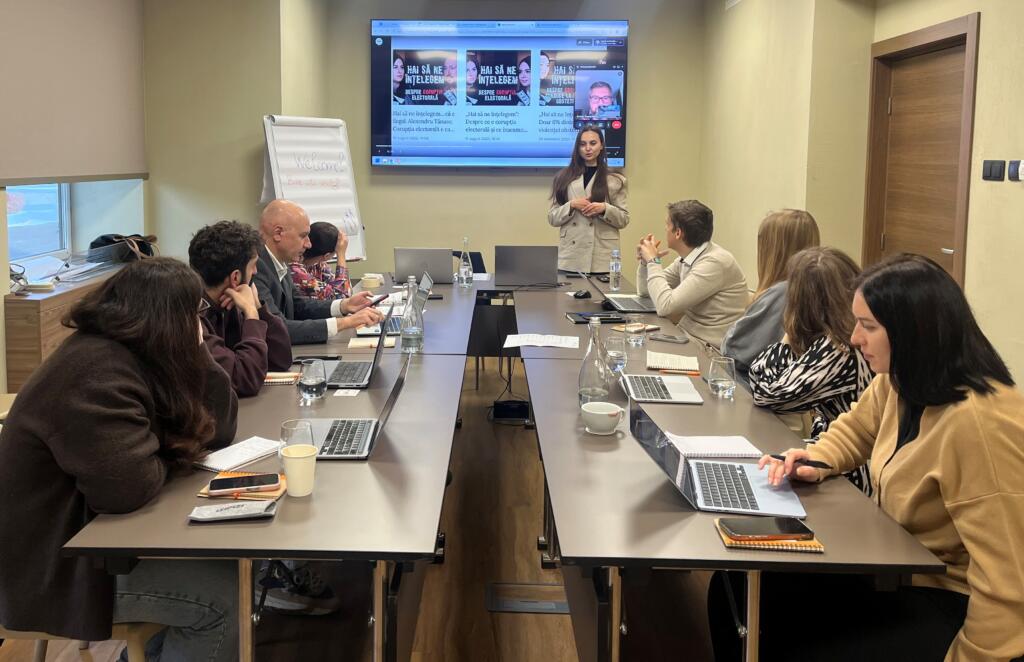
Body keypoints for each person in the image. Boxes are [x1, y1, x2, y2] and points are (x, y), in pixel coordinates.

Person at [709, 254, 1024, 661]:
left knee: (795, 638)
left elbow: (1007, 583)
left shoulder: (980, 424)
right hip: (895, 568)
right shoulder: (900, 381)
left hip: (952, 599)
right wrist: (815, 458)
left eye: (868, 326)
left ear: (913, 331)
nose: (855, 338)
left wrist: (971, 655)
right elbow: (857, 429)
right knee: (736, 588)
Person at [0, 258, 239, 661]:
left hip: (93, 543)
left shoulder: (137, 353)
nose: (201, 321)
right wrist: (176, 449)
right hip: (52, 568)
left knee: (232, 564)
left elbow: (221, 429)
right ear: (168, 318)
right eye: (195, 312)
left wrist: (198, 350)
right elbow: (127, 488)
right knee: (225, 598)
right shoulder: (94, 372)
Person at [747, 246, 874, 493]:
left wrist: (789, 332)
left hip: (848, 474)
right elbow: (761, 376)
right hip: (829, 454)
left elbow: (768, 394)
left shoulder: (838, 348)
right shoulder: (838, 337)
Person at [254, 199, 382, 345]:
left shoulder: (280, 261)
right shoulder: (256, 268)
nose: (309, 244)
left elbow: (299, 307)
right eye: (303, 236)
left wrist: (345, 305)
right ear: (278, 233)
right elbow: (278, 329)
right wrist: (346, 322)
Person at [189, 219, 293, 397]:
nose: (256, 272)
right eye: (253, 266)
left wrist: (258, 307)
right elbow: (243, 379)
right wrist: (252, 315)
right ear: (235, 277)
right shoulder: (192, 318)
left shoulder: (230, 303)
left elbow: (280, 360)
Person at [721, 209, 820, 383]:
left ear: (774, 250)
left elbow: (734, 349)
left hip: (753, 388)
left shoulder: (783, 293)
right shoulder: (810, 289)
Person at [637, 200, 748, 349]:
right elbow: (646, 292)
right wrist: (646, 263)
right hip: (686, 337)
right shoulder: (688, 257)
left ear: (678, 233)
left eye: (667, 224)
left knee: (638, 346)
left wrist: (653, 261)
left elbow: (666, 306)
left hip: (708, 350)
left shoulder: (714, 262)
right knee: (635, 341)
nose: (665, 228)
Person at [547, 125, 629, 273]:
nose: (588, 148)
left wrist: (604, 209)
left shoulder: (615, 180)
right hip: (570, 256)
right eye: (583, 144)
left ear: (601, 145)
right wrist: (571, 205)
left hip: (602, 257)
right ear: (577, 147)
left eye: (593, 143)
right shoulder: (563, 178)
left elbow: (624, 219)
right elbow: (552, 218)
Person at [289, 221, 353, 301]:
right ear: (327, 256)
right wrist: (341, 254)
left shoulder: (317, 265)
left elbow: (337, 287)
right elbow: (342, 297)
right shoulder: (296, 272)